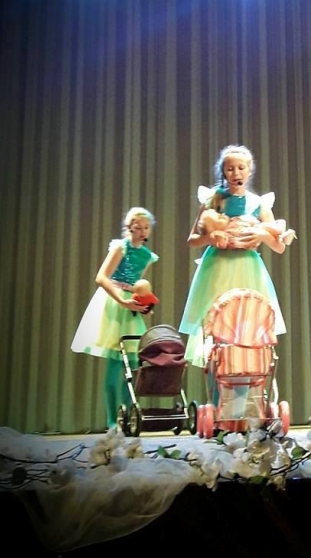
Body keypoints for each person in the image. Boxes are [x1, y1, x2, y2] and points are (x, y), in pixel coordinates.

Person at [179, 144, 289, 369]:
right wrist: (210, 237)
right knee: (216, 325)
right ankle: (217, 380)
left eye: (241, 168)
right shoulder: (213, 201)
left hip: (248, 268)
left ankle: (244, 377)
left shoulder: (258, 204)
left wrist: (262, 234)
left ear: (249, 170)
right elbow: (192, 239)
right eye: (230, 169)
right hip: (218, 266)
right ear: (223, 171)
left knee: (247, 324)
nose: (236, 173)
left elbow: (279, 246)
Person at [71, 207, 158, 430]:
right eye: (138, 227)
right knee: (115, 361)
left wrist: (144, 305)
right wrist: (121, 300)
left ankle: (128, 416)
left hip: (130, 304)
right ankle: (112, 421)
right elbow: (101, 278)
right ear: (129, 227)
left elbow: (138, 285)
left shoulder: (147, 256)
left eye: (146, 227)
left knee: (133, 363)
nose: (142, 231)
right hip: (114, 301)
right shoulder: (121, 247)